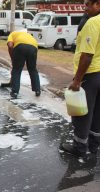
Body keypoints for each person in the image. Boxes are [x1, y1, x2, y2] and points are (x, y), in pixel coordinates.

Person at [60, 0, 100, 157]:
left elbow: (87, 55)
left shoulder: (93, 22)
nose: (85, 8)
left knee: (82, 113)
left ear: (97, 4)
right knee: (97, 112)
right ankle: (94, 145)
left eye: (88, 5)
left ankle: (79, 148)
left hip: (91, 75)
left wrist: (77, 80)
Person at [6, 31, 41, 98]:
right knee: (32, 69)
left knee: (17, 69)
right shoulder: (28, 35)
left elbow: (10, 46)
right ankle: (37, 90)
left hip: (20, 47)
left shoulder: (11, 34)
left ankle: (15, 92)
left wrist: (13, 59)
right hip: (34, 48)